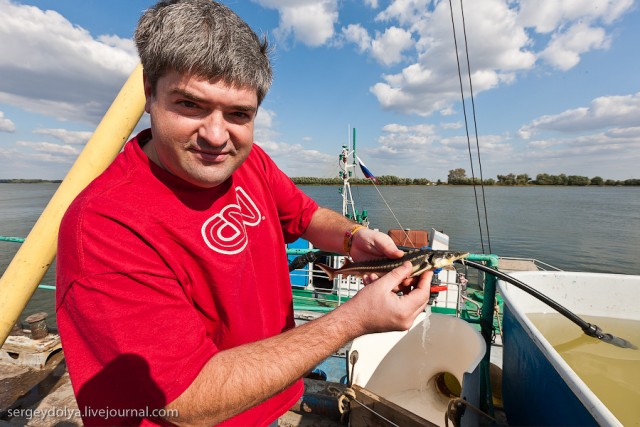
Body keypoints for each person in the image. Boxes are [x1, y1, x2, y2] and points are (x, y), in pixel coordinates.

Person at [55, 1, 432, 426]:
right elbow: (186, 399)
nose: (216, 136)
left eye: (239, 114)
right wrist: (353, 320)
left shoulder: (247, 162)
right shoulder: (104, 226)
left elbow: (305, 216)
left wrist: (351, 237)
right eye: (191, 105)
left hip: (265, 403)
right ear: (149, 92)